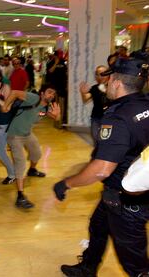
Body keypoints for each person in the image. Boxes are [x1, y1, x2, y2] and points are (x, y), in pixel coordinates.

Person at [53, 55, 149, 277]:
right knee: (98, 226)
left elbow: (101, 169)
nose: (105, 83)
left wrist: (66, 183)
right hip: (135, 188)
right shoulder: (145, 104)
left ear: (116, 82)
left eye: (109, 79)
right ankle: (88, 267)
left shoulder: (118, 117)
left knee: (135, 265)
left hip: (125, 199)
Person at [4, 84, 60, 209]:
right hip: (14, 135)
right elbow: (14, 92)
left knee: (37, 154)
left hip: (27, 134)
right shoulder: (33, 98)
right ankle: (20, 196)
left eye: (53, 93)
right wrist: (5, 106)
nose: (51, 95)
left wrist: (57, 114)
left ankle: (32, 170)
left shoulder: (45, 109)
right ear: (42, 93)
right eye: (49, 92)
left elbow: (56, 118)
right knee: (20, 163)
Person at [79, 65, 110, 144]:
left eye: (103, 73)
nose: (101, 76)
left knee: (106, 140)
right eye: (98, 74)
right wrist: (83, 92)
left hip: (109, 118)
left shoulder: (113, 86)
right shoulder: (95, 88)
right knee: (96, 138)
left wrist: (105, 90)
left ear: (108, 74)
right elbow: (85, 99)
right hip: (96, 118)